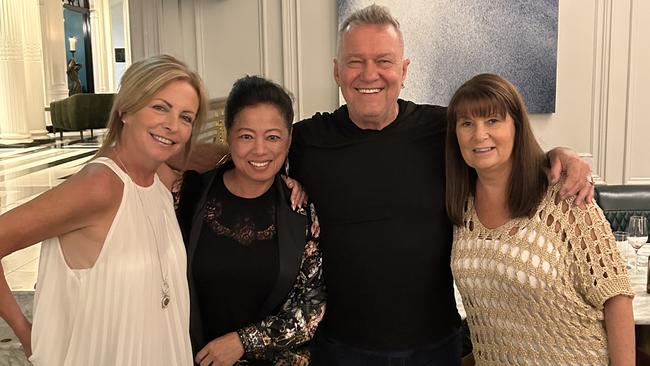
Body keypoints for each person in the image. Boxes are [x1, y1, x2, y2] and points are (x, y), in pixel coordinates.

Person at [179, 5, 594, 365]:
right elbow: (253, 148)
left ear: (404, 70)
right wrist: (194, 154)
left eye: (384, 60)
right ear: (338, 71)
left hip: (434, 344)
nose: (369, 74)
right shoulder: (306, 139)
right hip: (338, 348)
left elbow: (498, 149)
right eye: (356, 62)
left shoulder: (442, 129)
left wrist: (559, 155)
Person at [0, 54, 208, 365]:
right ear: (126, 110)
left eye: (186, 117)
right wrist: (29, 334)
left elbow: (222, 156)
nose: (172, 126)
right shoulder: (100, 185)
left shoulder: (158, 178)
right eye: (160, 107)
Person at [446, 73, 635, 365]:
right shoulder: (461, 206)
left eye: (493, 120)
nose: (479, 134)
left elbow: (615, 295)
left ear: (517, 127)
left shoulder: (565, 196)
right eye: (467, 123)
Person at [175, 75, 325, 366]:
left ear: (288, 140)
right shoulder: (188, 195)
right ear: (228, 134)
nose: (259, 150)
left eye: (272, 137)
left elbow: (312, 306)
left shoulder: (301, 210)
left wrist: (243, 342)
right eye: (246, 136)